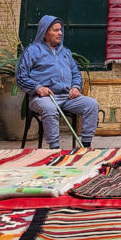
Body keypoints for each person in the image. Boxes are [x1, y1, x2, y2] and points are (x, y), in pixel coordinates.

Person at [16, 15, 98, 149]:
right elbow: (21, 77)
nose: (60, 33)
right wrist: (38, 87)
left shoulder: (65, 52)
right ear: (44, 32)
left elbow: (76, 73)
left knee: (91, 104)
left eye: (60, 30)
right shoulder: (32, 51)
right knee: (50, 108)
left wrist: (76, 87)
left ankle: (86, 145)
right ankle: (54, 149)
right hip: (43, 97)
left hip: (67, 96)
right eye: (55, 30)